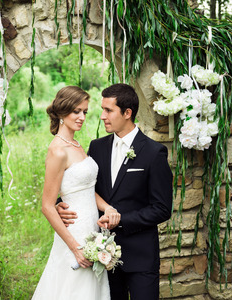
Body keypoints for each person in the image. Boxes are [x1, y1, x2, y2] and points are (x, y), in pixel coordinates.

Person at [58, 83, 173, 300]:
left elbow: (162, 209)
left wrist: (119, 220)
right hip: (101, 258)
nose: (102, 116)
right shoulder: (97, 147)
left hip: (141, 257)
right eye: (102, 109)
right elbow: (82, 187)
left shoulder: (154, 152)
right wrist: (60, 203)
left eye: (108, 110)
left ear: (127, 113)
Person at [32, 86, 120, 300]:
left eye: (85, 112)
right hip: (74, 233)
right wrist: (75, 247)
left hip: (92, 229)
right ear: (62, 112)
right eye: (76, 111)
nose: (82, 117)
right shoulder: (58, 150)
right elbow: (47, 205)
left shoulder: (77, 145)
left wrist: (107, 207)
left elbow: (87, 190)